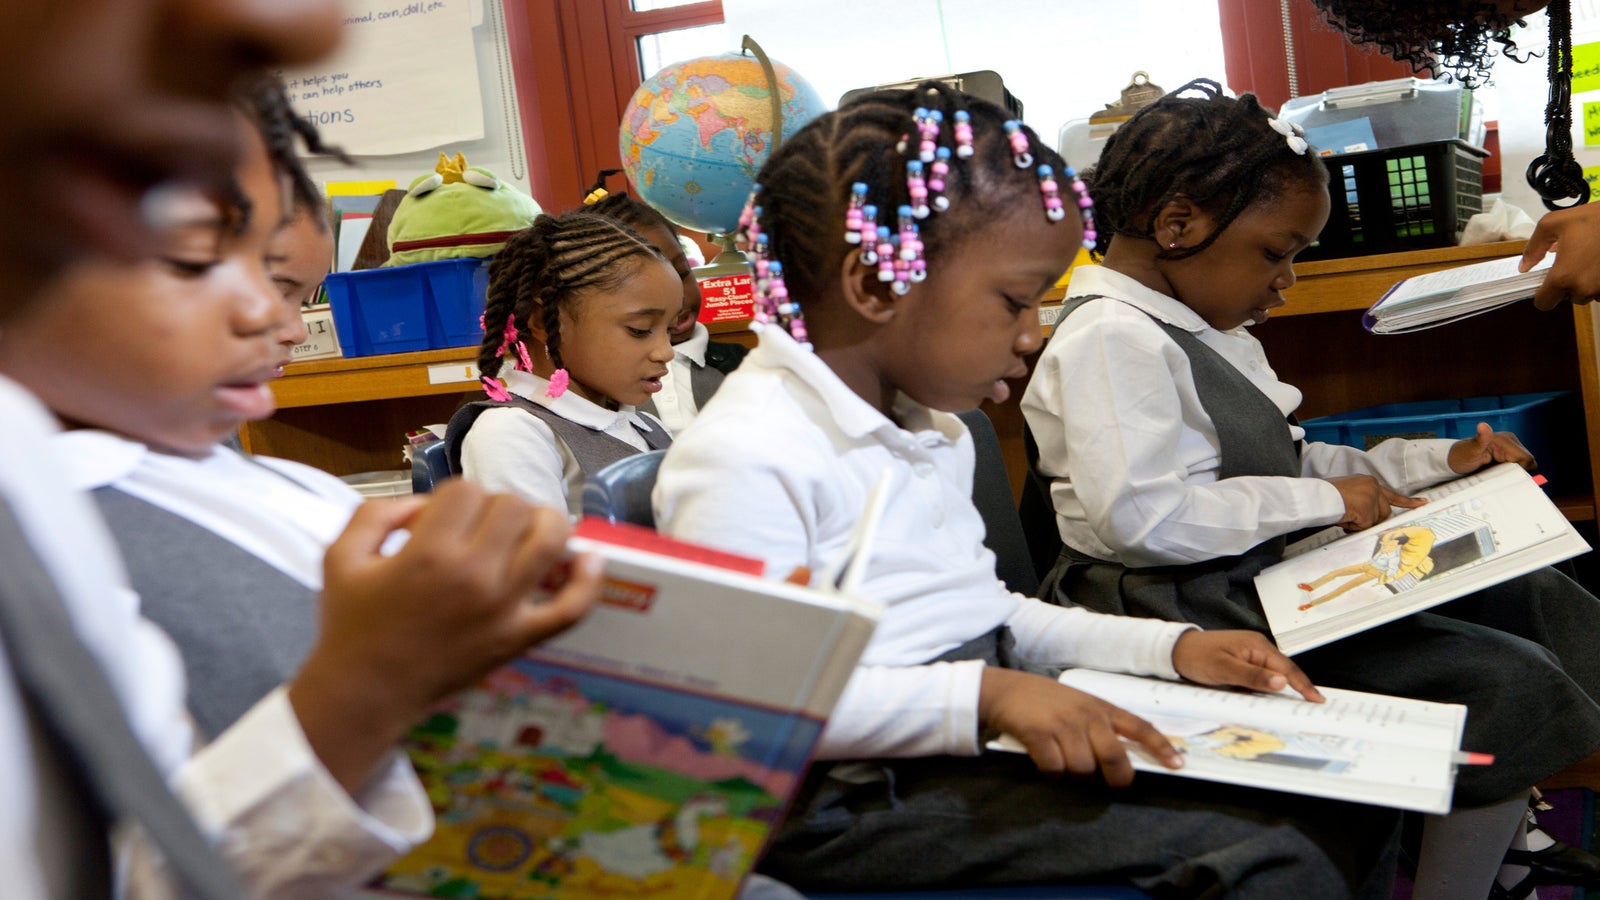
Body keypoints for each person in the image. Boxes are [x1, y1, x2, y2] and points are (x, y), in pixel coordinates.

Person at [654, 81, 1402, 898]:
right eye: (1015, 300)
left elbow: (989, 616)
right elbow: (745, 709)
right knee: (1277, 851)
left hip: (956, 745)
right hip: (843, 804)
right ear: (874, 286)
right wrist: (989, 694)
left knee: (1348, 791)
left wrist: (1170, 649)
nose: (1033, 331)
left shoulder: (923, 427)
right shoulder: (745, 455)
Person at [0, 8, 604, 895]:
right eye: (193, 253)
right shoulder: (61, 496)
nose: (268, 316)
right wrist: (369, 683)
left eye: (278, 273)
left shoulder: (270, 484)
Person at [1020, 78, 1600, 900]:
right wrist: (1330, 504)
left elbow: (1286, 463)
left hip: (1244, 579)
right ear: (1178, 225)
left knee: (1536, 599)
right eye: (1275, 252)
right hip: (1174, 605)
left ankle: (1498, 851)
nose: (1286, 279)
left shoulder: (1201, 329)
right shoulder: (1113, 341)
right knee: (1499, 679)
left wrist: (1439, 462)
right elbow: (1141, 519)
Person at [446, 210, 681, 512]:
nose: (666, 351)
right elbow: (535, 557)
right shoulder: (511, 433)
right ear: (545, 322)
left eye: (670, 330)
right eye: (640, 330)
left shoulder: (647, 426)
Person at [582, 171, 750, 433]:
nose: (678, 298)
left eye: (683, 274)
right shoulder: (596, 386)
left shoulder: (742, 364)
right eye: (646, 289)